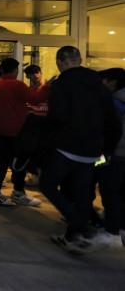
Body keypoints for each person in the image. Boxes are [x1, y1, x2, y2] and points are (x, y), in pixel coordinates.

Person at [41, 46, 121, 253]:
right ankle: (72, 237)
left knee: (48, 185)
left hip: (67, 147)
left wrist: (48, 141)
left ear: (60, 61)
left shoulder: (62, 84)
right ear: (80, 60)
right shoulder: (100, 86)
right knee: (83, 193)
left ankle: (83, 230)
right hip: (93, 150)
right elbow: (112, 121)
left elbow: (57, 116)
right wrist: (107, 150)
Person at [0, 58, 48, 207]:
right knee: (19, 163)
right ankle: (16, 192)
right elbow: (36, 98)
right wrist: (48, 86)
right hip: (15, 131)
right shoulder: (17, 85)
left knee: (2, 160)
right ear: (15, 70)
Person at [93, 68, 125, 247]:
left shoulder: (116, 102)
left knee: (109, 190)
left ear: (112, 82)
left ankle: (112, 231)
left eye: (103, 82)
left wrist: (104, 154)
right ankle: (120, 227)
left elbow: (109, 130)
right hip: (119, 152)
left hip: (115, 153)